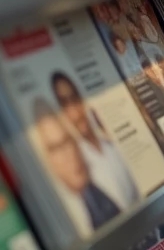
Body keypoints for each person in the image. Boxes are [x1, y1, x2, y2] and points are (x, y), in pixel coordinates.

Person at [49, 71, 139, 209]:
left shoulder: (112, 144)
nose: (74, 111)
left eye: (75, 98)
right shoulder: (78, 167)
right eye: (65, 103)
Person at [31, 98, 122, 231]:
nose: (70, 154)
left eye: (68, 140)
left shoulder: (111, 167)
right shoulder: (58, 221)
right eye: (56, 148)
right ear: (45, 161)